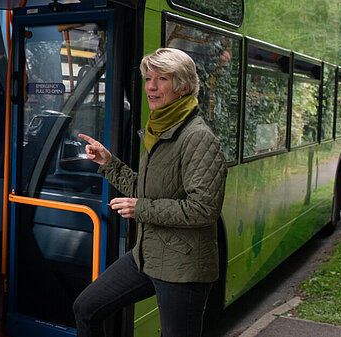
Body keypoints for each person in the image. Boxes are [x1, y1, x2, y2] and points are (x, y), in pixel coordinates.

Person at [73, 48, 228, 337]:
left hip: (183, 267)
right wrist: (109, 163)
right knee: (86, 308)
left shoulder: (198, 138)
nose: (151, 87)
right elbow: (145, 191)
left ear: (182, 86)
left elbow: (204, 209)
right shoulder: (159, 129)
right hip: (148, 256)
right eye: (148, 78)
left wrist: (141, 209)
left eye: (162, 79)